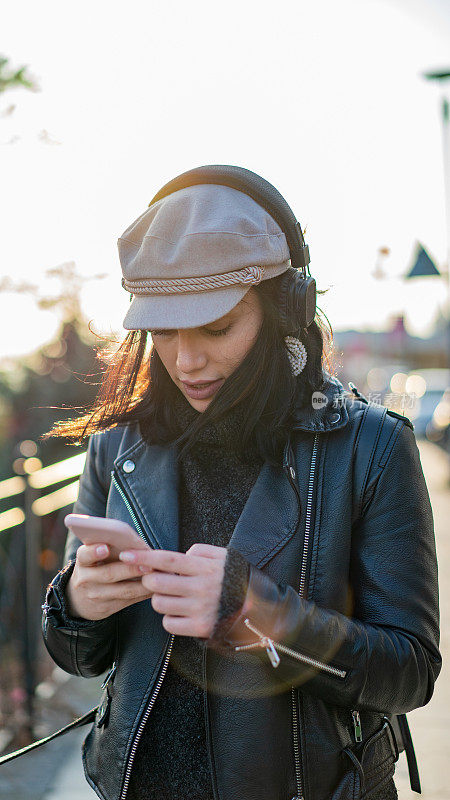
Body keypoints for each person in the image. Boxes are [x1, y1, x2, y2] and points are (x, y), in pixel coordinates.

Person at [41, 166, 441, 800]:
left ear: (284, 309)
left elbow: (410, 673)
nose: (187, 361)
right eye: (164, 333)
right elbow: (77, 657)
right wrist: (79, 604)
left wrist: (261, 614)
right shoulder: (116, 447)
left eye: (216, 328)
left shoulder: (371, 448)